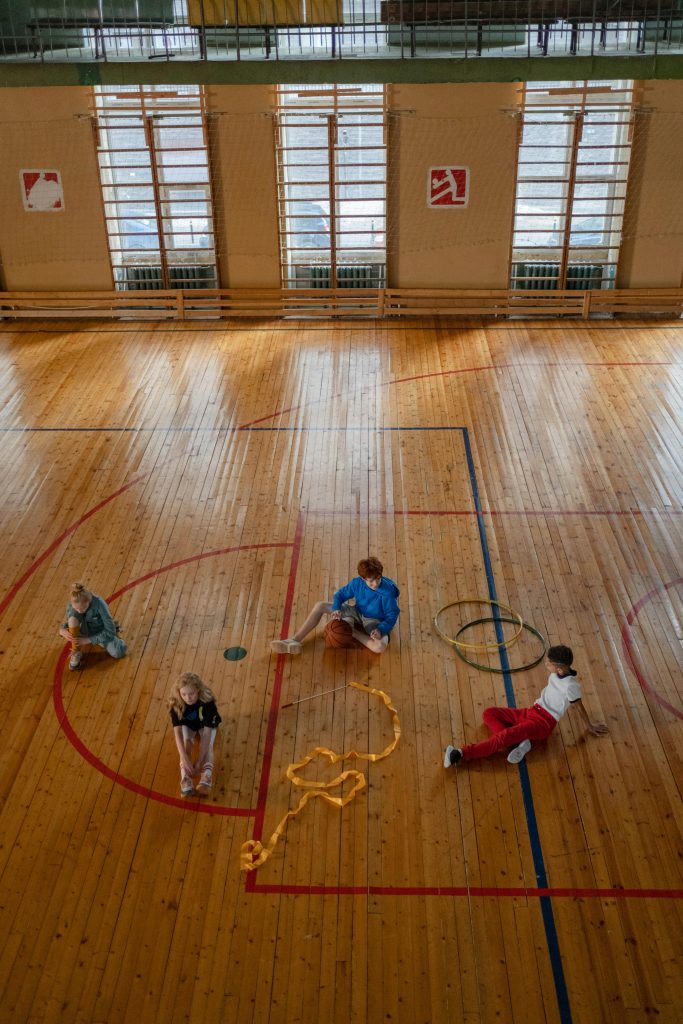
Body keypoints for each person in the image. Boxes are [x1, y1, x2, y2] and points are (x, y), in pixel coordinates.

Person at [444, 644, 608, 767]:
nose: (546, 664)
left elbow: (578, 706)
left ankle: (461, 753)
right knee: (489, 713)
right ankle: (519, 743)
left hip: (542, 723)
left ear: (558, 668)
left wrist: (590, 726)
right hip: (532, 712)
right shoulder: (557, 674)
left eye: (549, 662)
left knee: (503, 737)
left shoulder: (571, 686)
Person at [270, 556, 400, 655]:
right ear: (363, 579)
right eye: (371, 581)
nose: (376, 583)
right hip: (357, 611)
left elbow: (392, 615)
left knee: (380, 647)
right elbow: (339, 595)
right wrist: (337, 608)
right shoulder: (356, 583)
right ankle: (294, 640)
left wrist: (381, 629)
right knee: (320, 605)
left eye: (378, 578)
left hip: (374, 620)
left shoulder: (388, 592)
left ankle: (352, 631)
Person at [169, 672, 222, 798]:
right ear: (179, 693)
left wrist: (199, 762)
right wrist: (184, 758)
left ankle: (207, 777)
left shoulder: (208, 702)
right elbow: (178, 733)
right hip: (189, 724)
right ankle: (185, 779)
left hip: (205, 725)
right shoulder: (176, 704)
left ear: (198, 690)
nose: (188, 698)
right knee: (187, 743)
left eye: (191, 694)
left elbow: (207, 733)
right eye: (184, 694)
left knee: (208, 745)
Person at [59, 582, 127, 671]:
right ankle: (76, 651)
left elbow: (110, 631)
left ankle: (117, 635)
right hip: (83, 631)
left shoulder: (100, 605)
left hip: (99, 632)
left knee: (118, 652)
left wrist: (88, 640)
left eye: (83, 609)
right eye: (76, 609)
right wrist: (62, 630)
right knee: (72, 619)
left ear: (89, 601)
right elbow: (68, 622)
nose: (79, 611)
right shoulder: (75, 602)